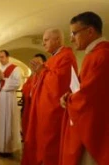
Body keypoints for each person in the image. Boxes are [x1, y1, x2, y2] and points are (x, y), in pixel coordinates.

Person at [59, 11, 109, 165]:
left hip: (96, 126)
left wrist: (69, 99)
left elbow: (90, 95)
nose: (72, 38)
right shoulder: (94, 54)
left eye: (74, 33)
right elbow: (84, 86)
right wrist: (69, 95)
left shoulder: (103, 55)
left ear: (90, 31)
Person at [22, 28, 78, 165]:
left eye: (46, 40)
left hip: (54, 112)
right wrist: (40, 72)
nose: (43, 43)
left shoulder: (66, 56)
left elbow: (60, 83)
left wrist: (42, 71)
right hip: (43, 109)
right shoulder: (54, 58)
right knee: (40, 142)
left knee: (50, 144)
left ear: (58, 40)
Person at [0, 50, 22, 157]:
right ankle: (0, 147)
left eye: (2, 57)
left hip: (10, 97)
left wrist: (3, 79)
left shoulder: (15, 68)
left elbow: (17, 83)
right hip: (1, 98)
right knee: (0, 121)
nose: (1, 59)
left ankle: (8, 148)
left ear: (7, 57)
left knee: (9, 120)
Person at [21, 53, 47, 141]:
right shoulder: (32, 76)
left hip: (39, 107)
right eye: (33, 63)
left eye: (37, 62)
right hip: (29, 106)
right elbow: (24, 89)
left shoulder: (46, 75)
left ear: (44, 63)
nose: (34, 65)